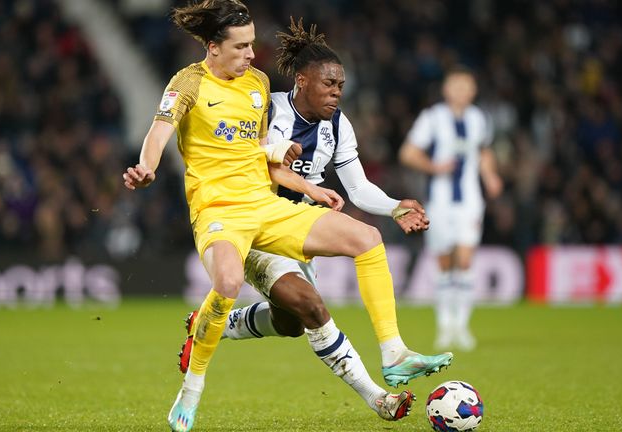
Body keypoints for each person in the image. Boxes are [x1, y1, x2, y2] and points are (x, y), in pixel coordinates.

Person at [123, 2, 451, 430]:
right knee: (248, 289)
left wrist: (315, 189)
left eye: (251, 44)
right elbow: (159, 131)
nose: (251, 54)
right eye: (241, 46)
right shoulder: (189, 82)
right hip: (220, 211)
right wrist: (147, 167)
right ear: (213, 46)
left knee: (363, 244)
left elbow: (259, 155)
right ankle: (192, 388)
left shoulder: (258, 84)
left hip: (270, 208)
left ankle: (394, 354)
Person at [398, 66, 503, 351]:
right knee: (444, 264)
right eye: (456, 86)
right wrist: (434, 167)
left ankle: (462, 327)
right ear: (446, 89)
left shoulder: (479, 119)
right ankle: (445, 327)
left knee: (466, 262)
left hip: (470, 201)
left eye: (466, 86)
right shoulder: (432, 118)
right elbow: (407, 153)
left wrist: (490, 176)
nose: (461, 91)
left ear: (473, 90)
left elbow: (483, 151)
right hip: (440, 202)